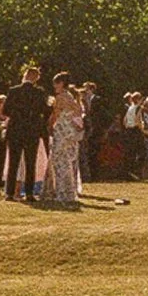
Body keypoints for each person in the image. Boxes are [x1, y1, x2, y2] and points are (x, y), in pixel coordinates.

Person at [3, 66, 50, 201]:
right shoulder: (39, 93)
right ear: (36, 78)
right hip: (32, 130)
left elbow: (5, 111)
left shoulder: (13, 91)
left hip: (16, 130)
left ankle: (9, 193)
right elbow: (45, 111)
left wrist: (17, 115)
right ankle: (29, 193)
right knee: (30, 163)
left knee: (13, 162)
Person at [47, 71, 84, 206]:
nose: (54, 86)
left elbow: (55, 115)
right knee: (67, 161)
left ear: (61, 83)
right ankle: (68, 191)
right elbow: (78, 112)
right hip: (70, 131)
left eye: (56, 83)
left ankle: (62, 192)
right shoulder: (71, 97)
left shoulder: (61, 97)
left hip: (62, 131)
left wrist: (50, 126)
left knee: (60, 161)